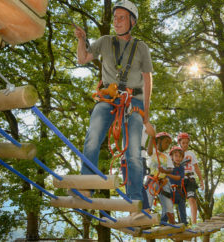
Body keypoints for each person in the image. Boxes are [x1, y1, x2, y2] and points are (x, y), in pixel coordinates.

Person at [73, 0, 155, 206]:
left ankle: (135, 202)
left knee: (133, 152)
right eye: (115, 17)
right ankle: (86, 186)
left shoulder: (141, 47)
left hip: (134, 100)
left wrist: (146, 115)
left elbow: (147, 79)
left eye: (122, 18)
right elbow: (82, 58)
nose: (116, 22)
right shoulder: (104, 41)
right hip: (109, 97)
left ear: (132, 22)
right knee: (92, 137)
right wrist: (81, 39)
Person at [145, 132, 175, 224]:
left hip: (163, 182)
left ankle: (172, 223)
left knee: (168, 204)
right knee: (148, 201)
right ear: (158, 141)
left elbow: (171, 169)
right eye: (166, 142)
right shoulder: (152, 152)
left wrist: (164, 171)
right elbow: (149, 151)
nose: (167, 145)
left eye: (169, 144)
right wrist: (151, 137)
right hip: (152, 180)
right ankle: (145, 222)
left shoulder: (167, 156)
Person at [177, 132, 204, 225]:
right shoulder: (175, 154)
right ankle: (183, 222)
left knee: (192, 199)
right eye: (183, 142)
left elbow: (196, 167)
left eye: (187, 143)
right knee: (181, 201)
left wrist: (201, 181)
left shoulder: (191, 154)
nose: (185, 145)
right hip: (180, 180)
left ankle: (194, 223)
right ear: (179, 143)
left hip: (190, 179)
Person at [162, 146, 188, 225]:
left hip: (178, 191)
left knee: (182, 207)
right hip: (169, 191)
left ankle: (184, 223)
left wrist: (167, 174)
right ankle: (163, 222)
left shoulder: (181, 168)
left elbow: (178, 177)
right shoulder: (168, 167)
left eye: (180, 156)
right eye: (176, 156)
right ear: (171, 157)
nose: (178, 158)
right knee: (168, 207)